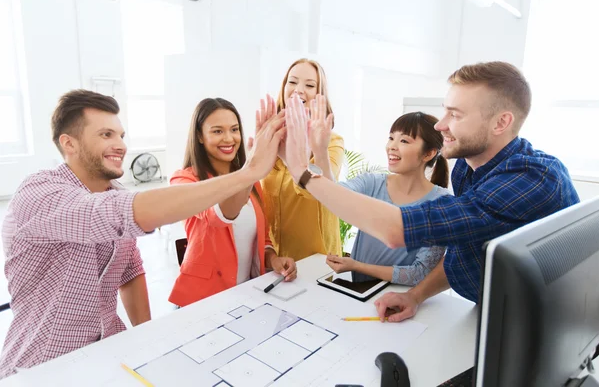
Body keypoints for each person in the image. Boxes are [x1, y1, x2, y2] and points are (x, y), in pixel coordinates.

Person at [0, 89, 285, 377]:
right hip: (42, 365)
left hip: (108, 349)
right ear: (68, 143)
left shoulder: (116, 191)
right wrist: (248, 172)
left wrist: (148, 339)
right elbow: (118, 213)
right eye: (106, 135)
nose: (120, 145)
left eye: (121, 135)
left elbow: (130, 271)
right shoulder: (38, 193)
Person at [283, 62, 580, 322]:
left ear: (501, 122)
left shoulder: (533, 178)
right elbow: (462, 253)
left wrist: (301, 170)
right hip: (490, 307)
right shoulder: (467, 168)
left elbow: (396, 229)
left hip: (540, 322)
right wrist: (416, 296)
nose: (441, 124)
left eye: (455, 115)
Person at [168, 96, 296, 307]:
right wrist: (251, 169)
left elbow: (262, 240)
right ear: (200, 136)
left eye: (234, 129)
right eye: (218, 131)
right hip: (202, 300)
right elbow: (219, 217)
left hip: (246, 294)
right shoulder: (184, 180)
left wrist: (273, 259)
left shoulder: (252, 182)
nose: (229, 138)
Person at [326, 112, 450, 286]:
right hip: (361, 292)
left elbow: (420, 273)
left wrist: (358, 266)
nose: (392, 146)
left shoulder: (441, 203)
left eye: (404, 141)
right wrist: (320, 150)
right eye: (391, 138)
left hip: (402, 300)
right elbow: (332, 194)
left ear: (428, 154)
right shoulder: (371, 182)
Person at [261, 58, 344, 261]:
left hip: (316, 261)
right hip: (274, 260)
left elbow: (321, 193)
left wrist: (291, 159)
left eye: (309, 85)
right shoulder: (271, 135)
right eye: (292, 81)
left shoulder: (332, 142)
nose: (299, 89)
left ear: (319, 95)